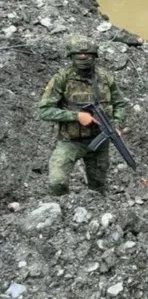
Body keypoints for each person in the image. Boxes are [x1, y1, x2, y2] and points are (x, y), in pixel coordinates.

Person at [39, 35, 127, 195]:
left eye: (87, 54)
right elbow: (45, 110)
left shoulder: (105, 77)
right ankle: (65, 203)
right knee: (57, 182)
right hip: (70, 141)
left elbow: (120, 104)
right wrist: (76, 116)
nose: (83, 57)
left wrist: (116, 124)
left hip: (99, 141)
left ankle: (94, 205)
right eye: (79, 54)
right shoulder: (62, 78)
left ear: (94, 56)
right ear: (71, 56)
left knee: (98, 187)